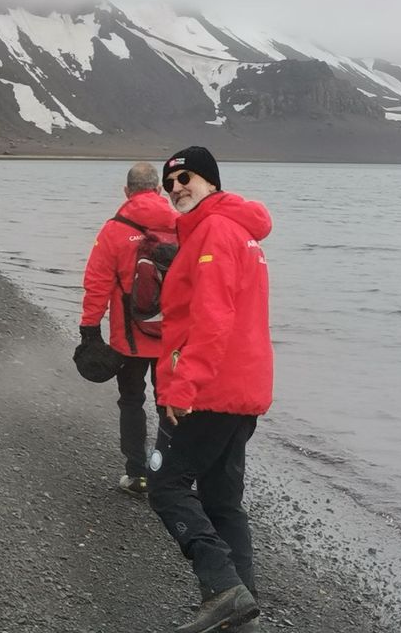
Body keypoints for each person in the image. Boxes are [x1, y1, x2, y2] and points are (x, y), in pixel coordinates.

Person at [148, 146, 274, 633]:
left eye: (188, 178)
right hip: (242, 388)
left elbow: (212, 319)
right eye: (171, 182)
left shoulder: (215, 232)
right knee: (222, 501)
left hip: (210, 390)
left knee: (166, 485)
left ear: (212, 182)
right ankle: (242, 614)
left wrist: (185, 386)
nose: (178, 187)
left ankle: (222, 589)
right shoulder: (235, 231)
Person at [79, 162, 178, 495]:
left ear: (127, 192)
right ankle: (169, 476)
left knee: (132, 401)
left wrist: (89, 331)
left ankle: (137, 474)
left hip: (130, 339)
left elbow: (96, 284)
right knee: (170, 405)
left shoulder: (114, 230)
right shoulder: (184, 225)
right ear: (160, 190)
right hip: (174, 338)